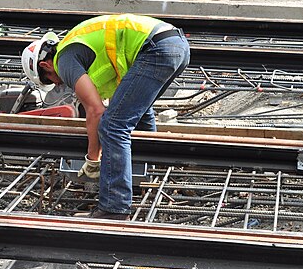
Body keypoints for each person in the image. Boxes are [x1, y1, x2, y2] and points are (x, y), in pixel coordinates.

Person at [21, 14, 190, 220]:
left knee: (114, 126)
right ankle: (141, 176)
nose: (58, 84)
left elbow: (96, 111)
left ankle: (113, 207)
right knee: (139, 112)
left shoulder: (63, 61)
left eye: (50, 81)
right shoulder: (79, 49)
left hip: (156, 48)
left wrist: (92, 159)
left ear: (46, 66)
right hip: (176, 45)